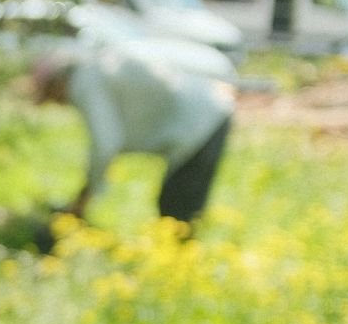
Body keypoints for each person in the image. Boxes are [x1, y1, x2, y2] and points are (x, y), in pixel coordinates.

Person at [31, 45, 237, 225]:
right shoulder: (96, 68)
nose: (57, 103)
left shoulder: (84, 83)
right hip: (209, 111)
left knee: (177, 211)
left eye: (51, 97)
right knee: (176, 210)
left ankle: (177, 266)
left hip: (203, 121)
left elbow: (106, 145)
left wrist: (84, 199)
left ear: (56, 83)